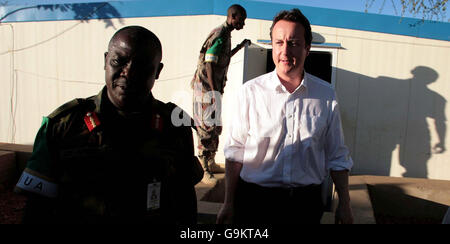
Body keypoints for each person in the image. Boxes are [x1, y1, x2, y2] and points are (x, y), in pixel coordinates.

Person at [14, 26, 203, 224]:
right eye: (117, 61)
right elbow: (36, 210)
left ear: (158, 71)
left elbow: (185, 207)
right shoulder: (63, 126)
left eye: (142, 65)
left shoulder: (174, 126)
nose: (128, 74)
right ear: (106, 60)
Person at [216, 9, 354, 224]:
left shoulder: (326, 95)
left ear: (307, 48)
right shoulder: (250, 92)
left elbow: (337, 155)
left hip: (304, 207)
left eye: (294, 43)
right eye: (279, 42)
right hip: (254, 204)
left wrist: (344, 204)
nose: (285, 51)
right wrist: (228, 202)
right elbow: (235, 151)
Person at [191, 4, 251, 184]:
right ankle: (204, 167)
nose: (243, 24)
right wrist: (213, 89)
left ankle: (210, 161)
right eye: (242, 19)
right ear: (233, 16)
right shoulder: (220, 34)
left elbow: (222, 57)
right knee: (206, 125)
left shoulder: (226, 35)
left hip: (213, 88)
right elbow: (209, 63)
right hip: (206, 89)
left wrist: (239, 47)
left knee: (215, 124)